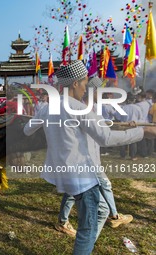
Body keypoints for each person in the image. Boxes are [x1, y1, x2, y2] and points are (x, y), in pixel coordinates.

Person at [23, 61, 156, 255]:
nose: (86, 88)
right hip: (81, 176)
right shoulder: (78, 108)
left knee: (100, 212)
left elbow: (27, 130)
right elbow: (106, 137)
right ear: (75, 83)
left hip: (63, 173)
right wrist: (142, 131)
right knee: (86, 229)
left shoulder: (47, 107)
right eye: (85, 83)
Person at [54, 76, 133, 238]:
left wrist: (122, 125)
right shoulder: (84, 108)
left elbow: (103, 125)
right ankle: (113, 216)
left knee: (76, 190)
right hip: (84, 157)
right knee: (102, 185)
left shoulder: (88, 107)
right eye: (99, 91)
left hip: (86, 156)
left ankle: (64, 221)